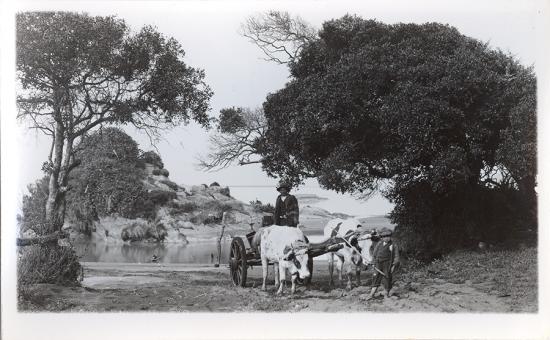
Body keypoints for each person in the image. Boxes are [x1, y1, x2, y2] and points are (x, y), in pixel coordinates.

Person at [364, 227, 400, 299]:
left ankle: (386, 294)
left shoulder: (393, 245)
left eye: (388, 236)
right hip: (378, 263)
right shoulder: (379, 244)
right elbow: (374, 254)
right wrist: (373, 263)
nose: (386, 238)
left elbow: (396, 256)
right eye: (384, 237)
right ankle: (371, 294)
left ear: (390, 236)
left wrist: (393, 266)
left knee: (387, 278)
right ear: (382, 238)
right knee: (375, 277)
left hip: (387, 264)